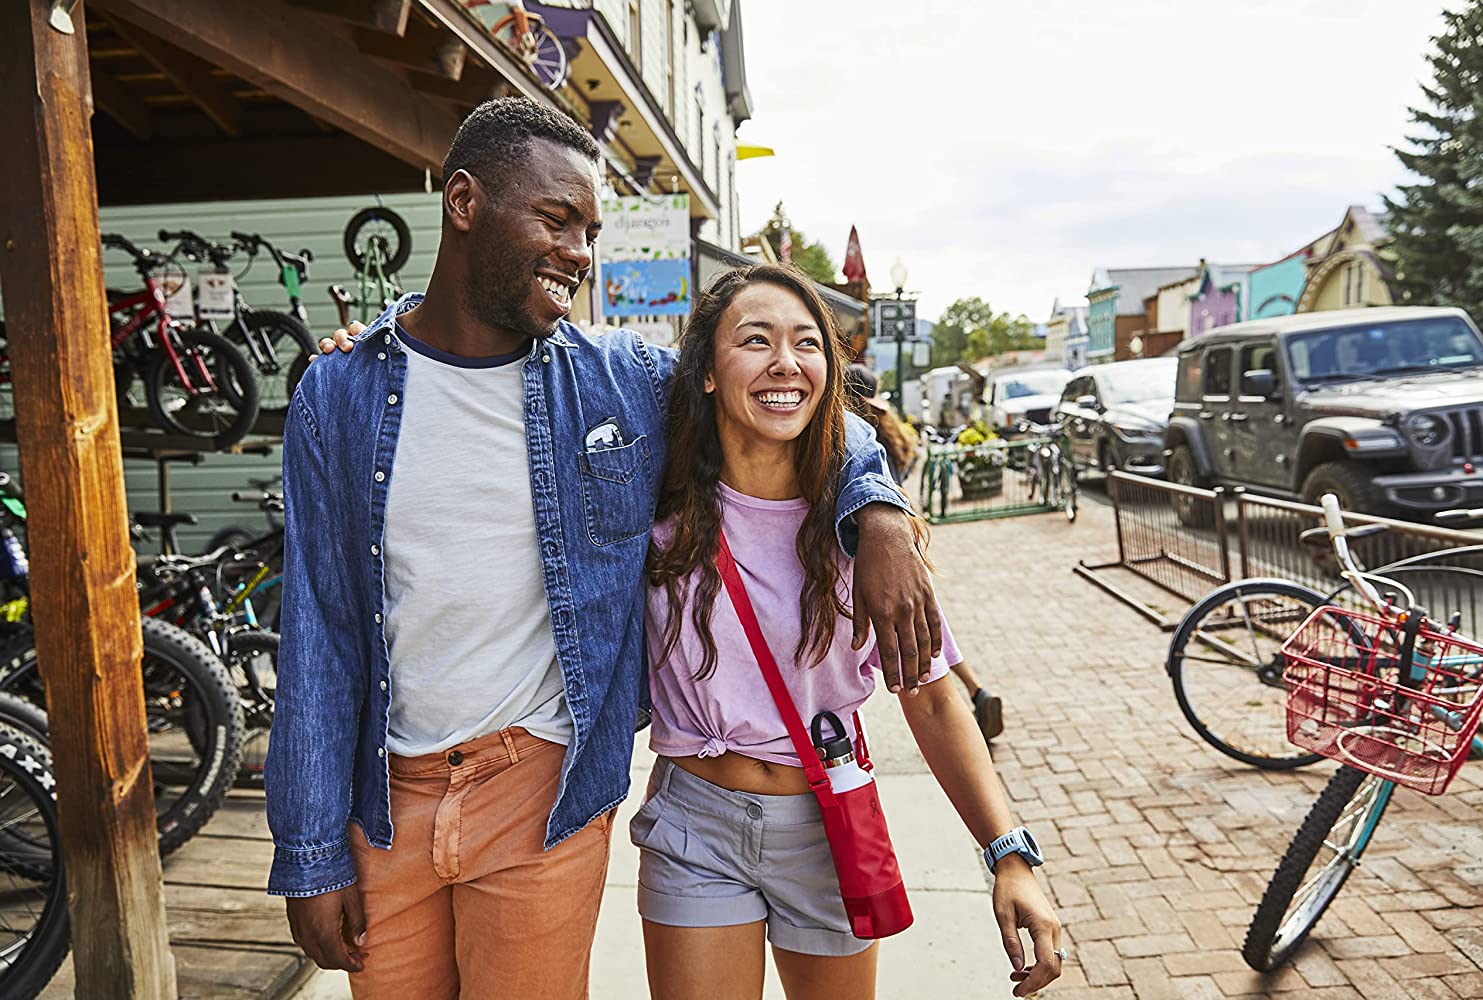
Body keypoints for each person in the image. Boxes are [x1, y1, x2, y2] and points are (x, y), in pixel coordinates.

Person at [268, 98, 942, 998]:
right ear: (463, 203)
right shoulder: (339, 394)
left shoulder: (619, 381)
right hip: (381, 798)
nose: (579, 254)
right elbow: (316, 630)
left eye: (588, 229)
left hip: (539, 784)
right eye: (556, 220)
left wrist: (879, 507)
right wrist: (309, 853)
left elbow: (778, 398)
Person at [635, 263, 1064, 1000]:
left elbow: (931, 699)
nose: (785, 363)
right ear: (705, 372)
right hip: (694, 824)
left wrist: (1009, 856)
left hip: (829, 824)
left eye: (807, 344)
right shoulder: (652, 511)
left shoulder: (864, 538)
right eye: (756, 340)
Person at [846, 364, 1004, 741]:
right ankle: (975, 690)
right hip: (906, 534)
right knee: (930, 626)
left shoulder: (854, 431)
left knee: (915, 633)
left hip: (871, 543)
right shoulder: (889, 425)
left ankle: (960, 697)